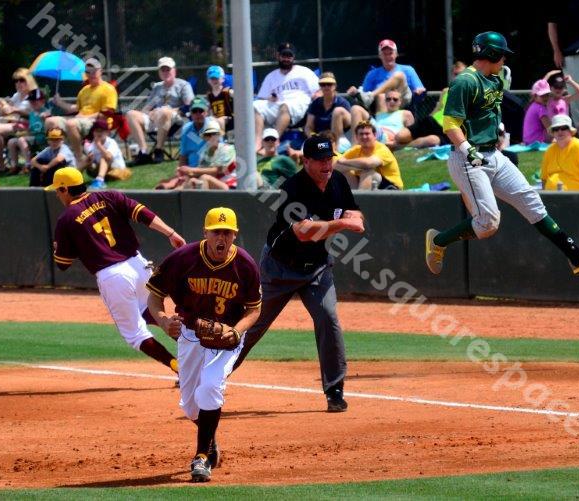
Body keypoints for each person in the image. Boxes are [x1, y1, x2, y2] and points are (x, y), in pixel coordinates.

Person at [424, 32, 579, 277]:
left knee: (532, 203)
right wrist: (467, 149)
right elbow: (449, 124)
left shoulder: (495, 79)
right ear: (490, 53)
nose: (504, 60)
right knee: (488, 224)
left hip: (494, 155)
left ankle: (576, 256)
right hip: (468, 158)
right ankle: (438, 241)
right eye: (501, 54)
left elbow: (488, 114)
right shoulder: (465, 82)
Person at [232, 135, 365, 413]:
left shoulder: (338, 181)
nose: (327, 164)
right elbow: (305, 233)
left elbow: (355, 213)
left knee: (329, 320)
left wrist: (353, 220)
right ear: (306, 162)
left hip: (317, 268)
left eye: (329, 158)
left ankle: (334, 390)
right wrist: (342, 223)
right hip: (279, 268)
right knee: (252, 325)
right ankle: (214, 374)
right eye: (320, 160)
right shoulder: (293, 188)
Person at [146, 207, 261, 483]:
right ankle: (210, 440)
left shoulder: (245, 265)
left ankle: (201, 457)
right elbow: (154, 299)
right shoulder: (181, 259)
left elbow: (254, 310)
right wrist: (162, 321)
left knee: (210, 386)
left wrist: (236, 333)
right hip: (190, 334)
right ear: (205, 233)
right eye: (216, 232)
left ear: (235, 235)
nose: (222, 238)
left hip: (226, 336)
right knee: (190, 406)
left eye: (227, 233)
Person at [47, 167, 186, 383]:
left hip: (112, 275)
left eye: (58, 190)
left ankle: (179, 367)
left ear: (65, 189)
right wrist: (171, 233)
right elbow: (143, 214)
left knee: (135, 335)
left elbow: (63, 263)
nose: (57, 194)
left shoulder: (66, 219)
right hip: (139, 265)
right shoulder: (108, 196)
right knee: (152, 312)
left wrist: (71, 244)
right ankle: (196, 352)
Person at [46, 58, 118, 167]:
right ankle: (53, 157)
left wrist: (83, 117)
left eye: (94, 71)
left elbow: (107, 113)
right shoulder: (84, 90)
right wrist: (59, 102)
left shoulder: (108, 89)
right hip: (80, 120)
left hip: (98, 123)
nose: (91, 74)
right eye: (88, 72)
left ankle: (79, 158)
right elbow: (75, 108)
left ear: (100, 71)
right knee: (50, 121)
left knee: (71, 123)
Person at [127, 57, 194, 165]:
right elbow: (146, 109)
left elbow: (189, 106)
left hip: (176, 121)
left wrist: (167, 110)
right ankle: (143, 152)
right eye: (162, 70)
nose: (165, 72)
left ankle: (159, 150)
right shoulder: (157, 87)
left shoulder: (184, 85)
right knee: (131, 114)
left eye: (168, 69)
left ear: (174, 71)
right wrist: (151, 113)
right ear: (159, 72)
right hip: (156, 119)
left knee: (164, 111)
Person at [253, 43, 319, 150]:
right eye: (284, 56)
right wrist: (270, 98)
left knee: (285, 106)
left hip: (299, 105)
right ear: (278, 56)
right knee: (255, 105)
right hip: (277, 105)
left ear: (293, 57)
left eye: (289, 56)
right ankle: (258, 143)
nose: (286, 59)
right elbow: (262, 98)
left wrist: (317, 98)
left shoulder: (304, 72)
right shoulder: (271, 76)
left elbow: (318, 91)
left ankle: (274, 141)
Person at [395, 61, 466, 149]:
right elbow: (436, 110)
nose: (459, 77)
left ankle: (398, 146)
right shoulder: (446, 91)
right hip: (432, 122)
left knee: (432, 141)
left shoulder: (471, 94)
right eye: (456, 74)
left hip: (448, 130)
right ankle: (397, 144)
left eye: (462, 74)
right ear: (452, 76)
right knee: (400, 136)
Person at [347, 39, 427, 113]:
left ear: (396, 54)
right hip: (381, 106)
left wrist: (419, 92)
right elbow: (363, 98)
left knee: (399, 75)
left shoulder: (408, 70)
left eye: (390, 53)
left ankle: (372, 96)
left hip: (402, 103)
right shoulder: (372, 74)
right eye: (385, 54)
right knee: (357, 109)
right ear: (380, 56)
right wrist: (356, 93)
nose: (388, 56)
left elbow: (420, 91)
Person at [156, 98, 220, 190]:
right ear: (191, 113)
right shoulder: (186, 129)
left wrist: (192, 171)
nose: (198, 114)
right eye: (194, 111)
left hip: (206, 172)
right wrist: (180, 171)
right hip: (189, 172)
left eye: (201, 111)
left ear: (207, 112)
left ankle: (175, 189)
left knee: (179, 187)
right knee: (164, 185)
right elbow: (183, 156)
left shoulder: (213, 127)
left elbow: (217, 169)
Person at [0, 68, 39, 173]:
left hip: (30, 125)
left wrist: (12, 109)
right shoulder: (17, 95)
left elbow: (30, 113)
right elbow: (4, 113)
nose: (18, 83)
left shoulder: (35, 94)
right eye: (16, 81)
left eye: (22, 80)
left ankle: (0, 165)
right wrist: (2, 106)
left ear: (29, 80)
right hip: (15, 124)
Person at [335, 121, 404, 190]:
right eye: (361, 134)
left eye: (367, 134)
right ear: (356, 137)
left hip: (391, 187)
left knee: (367, 171)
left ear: (374, 135)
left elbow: (369, 163)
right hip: (370, 185)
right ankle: (353, 198)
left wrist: (345, 162)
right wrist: (352, 167)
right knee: (344, 172)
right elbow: (336, 167)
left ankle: (361, 199)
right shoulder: (356, 150)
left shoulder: (382, 149)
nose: (364, 137)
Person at [541, 114, 579, 191]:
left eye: (563, 128)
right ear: (553, 132)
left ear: (570, 131)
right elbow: (544, 179)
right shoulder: (549, 150)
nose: (559, 131)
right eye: (556, 129)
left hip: (576, 198)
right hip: (551, 197)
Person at [180, 123, 237, 190]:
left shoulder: (228, 149)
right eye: (208, 135)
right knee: (191, 181)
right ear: (205, 137)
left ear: (219, 136)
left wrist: (192, 170)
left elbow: (219, 170)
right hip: (215, 185)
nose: (211, 137)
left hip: (230, 186)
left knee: (204, 178)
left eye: (214, 134)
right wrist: (187, 173)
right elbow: (201, 170)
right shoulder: (205, 153)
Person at [7, 88, 50, 174]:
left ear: (42, 101)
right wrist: (22, 129)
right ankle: (14, 166)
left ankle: (28, 165)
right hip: (33, 138)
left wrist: (45, 118)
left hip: (42, 138)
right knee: (11, 141)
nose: (32, 103)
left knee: (21, 140)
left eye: (35, 101)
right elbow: (31, 129)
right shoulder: (32, 114)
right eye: (31, 101)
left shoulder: (46, 112)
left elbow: (49, 124)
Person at [304, 72, 352, 143]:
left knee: (338, 111)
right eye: (323, 84)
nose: (326, 86)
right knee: (307, 149)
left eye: (329, 84)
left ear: (335, 86)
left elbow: (351, 125)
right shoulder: (315, 103)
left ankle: (333, 147)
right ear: (320, 86)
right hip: (320, 141)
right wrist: (314, 137)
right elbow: (308, 127)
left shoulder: (342, 103)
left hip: (340, 142)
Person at [85, 119, 129, 189]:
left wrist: (99, 145)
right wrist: (89, 162)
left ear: (107, 132)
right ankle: (72, 180)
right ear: (93, 132)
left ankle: (99, 181)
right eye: (96, 131)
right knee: (85, 160)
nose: (98, 133)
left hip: (118, 171)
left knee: (105, 157)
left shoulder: (111, 142)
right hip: (104, 171)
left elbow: (109, 157)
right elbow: (91, 165)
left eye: (101, 131)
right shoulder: (92, 145)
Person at [522, 79, 553, 144]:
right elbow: (550, 128)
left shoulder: (533, 106)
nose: (546, 97)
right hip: (536, 142)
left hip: (528, 140)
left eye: (547, 95)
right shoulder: (540, 109)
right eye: (542, 95)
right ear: (535, 96)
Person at [205, 65, 234, 133]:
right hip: (215, 119)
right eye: (212, 78)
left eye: (216, 78)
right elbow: (209, 110)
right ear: (208, 80)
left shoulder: (228, 91)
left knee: (220, 120)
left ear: (223, 79)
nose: (214, 81)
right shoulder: (209, 95)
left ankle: (221, 139)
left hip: (230, 119)